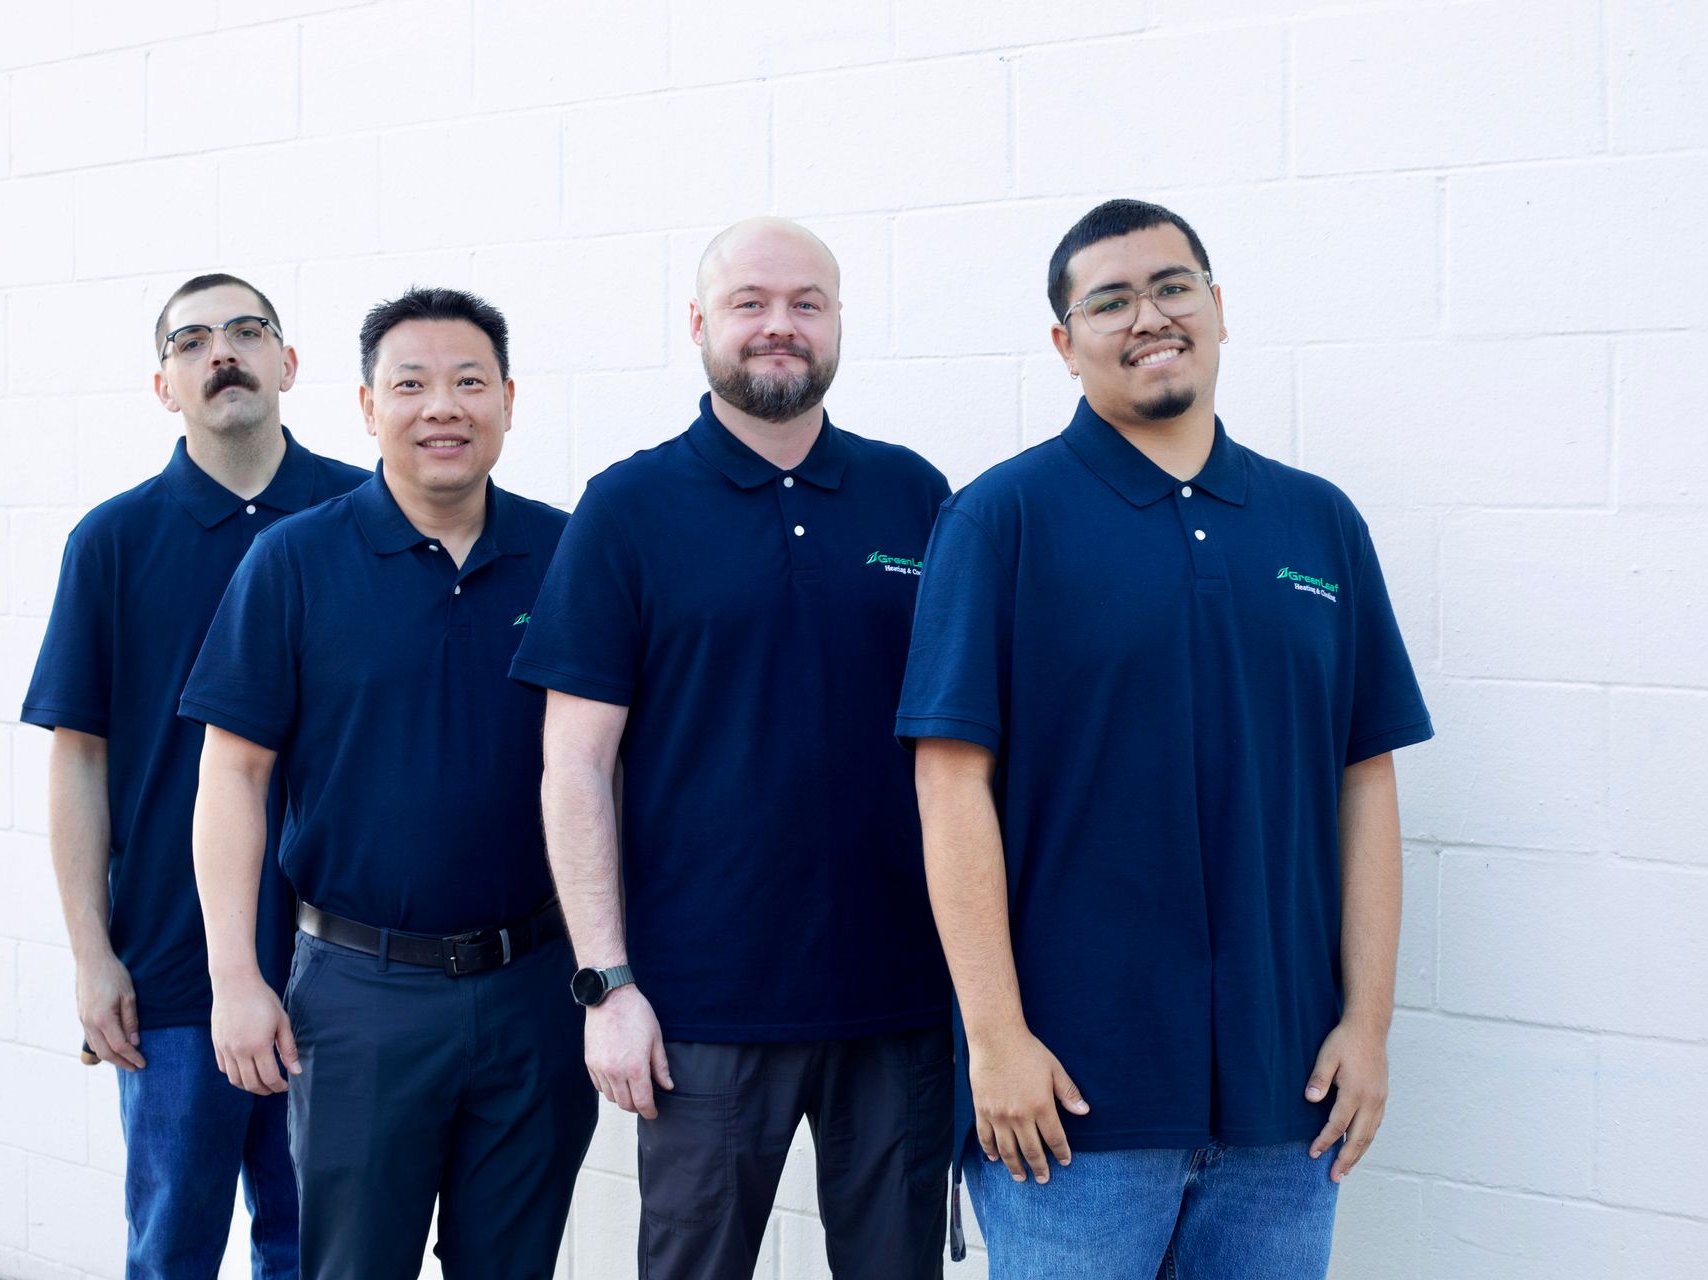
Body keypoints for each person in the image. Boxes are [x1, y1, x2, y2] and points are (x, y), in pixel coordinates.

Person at [897, 198, 1435, 1278]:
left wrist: (1367, 1024)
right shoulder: (1000, 521)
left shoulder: (1318, 522)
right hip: (1070, 1107)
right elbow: (950, 788)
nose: (1148, 315)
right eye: (1108, 300)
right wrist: (996, 1038)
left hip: (1289, 1104)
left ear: (1219, 309)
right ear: (1065, 343)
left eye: (1173, 285)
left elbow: (1362, 782)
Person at [512, 217, 953, 1279]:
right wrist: (605, 981)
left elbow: (965, 752)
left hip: (898, 998)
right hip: (701, 1008)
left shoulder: (917, 496)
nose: (780, 326)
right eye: (751, 302)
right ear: (701, 323)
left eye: (807, 303)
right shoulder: (629, 507)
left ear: (839, 321)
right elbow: (573, 762)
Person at [181, 288, 594, 1280]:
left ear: (508, 400)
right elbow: (233, 775)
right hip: (364, 993)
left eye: (468, 382)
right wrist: (235, 977)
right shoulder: (294, 561)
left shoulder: (572, 555)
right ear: (368, 407)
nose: (441, 407)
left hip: (537, 990)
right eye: (410, 383)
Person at [23, 273, 367, 1278]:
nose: (224, 350)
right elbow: (78, 757)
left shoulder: (365, 513)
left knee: (315, 1247)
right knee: (173, 1244)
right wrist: (92, 954)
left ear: (289, 364)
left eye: (248, 330)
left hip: (345, 959)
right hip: (173, 967)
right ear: (165, 382)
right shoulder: (113, 543)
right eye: (194, 339)